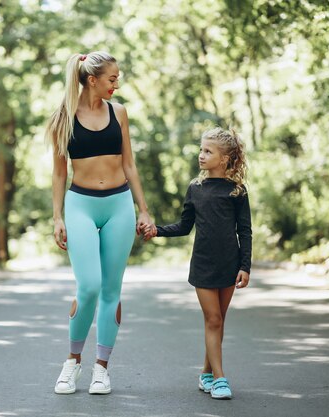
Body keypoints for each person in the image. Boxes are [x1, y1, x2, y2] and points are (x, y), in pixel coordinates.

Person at [46, 51, 156, 395]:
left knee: (112, 290)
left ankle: (101, 369)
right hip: (80, 205)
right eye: (112, 79)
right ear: (92, 79)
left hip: (119, 205)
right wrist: (58, 216)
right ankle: (72, 363)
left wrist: (143, 209)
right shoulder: (63, 118)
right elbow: (60, 172)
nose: (116, 84)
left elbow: (129, 165)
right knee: (89, 286)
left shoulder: (119, 112)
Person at [144, 127, 252, 400]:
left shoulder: (237, 191)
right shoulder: (196, 188)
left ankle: (206, 372)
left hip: (229, 264)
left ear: (225, 158)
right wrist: (157, 230)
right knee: (213, 319)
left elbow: (245, 231)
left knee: (218, 320)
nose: (201, 155)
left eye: (207, 151)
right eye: (201, 149)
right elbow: (184, 226)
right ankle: (219, 379)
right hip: (203, 265)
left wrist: (245, 266)